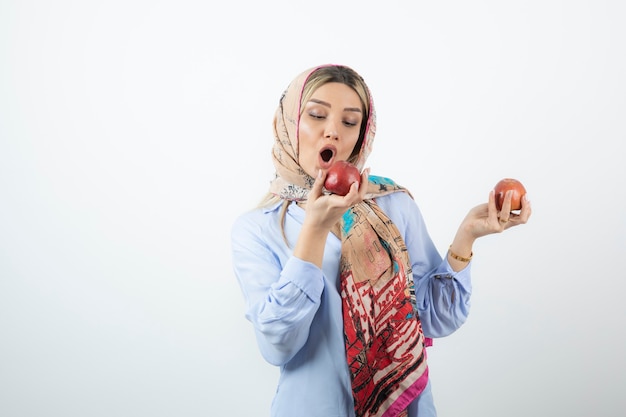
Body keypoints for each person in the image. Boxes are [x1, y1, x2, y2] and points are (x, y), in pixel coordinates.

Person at [230, 64, 531, 417]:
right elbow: (278, 345)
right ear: (290, 124)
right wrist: (313, 229)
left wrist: (466, 237)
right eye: (316, 115)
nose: (332, 132)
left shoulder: (393, 204)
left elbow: (434, 318)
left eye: (349, 121)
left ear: (362, 134)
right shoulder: (256, 229)